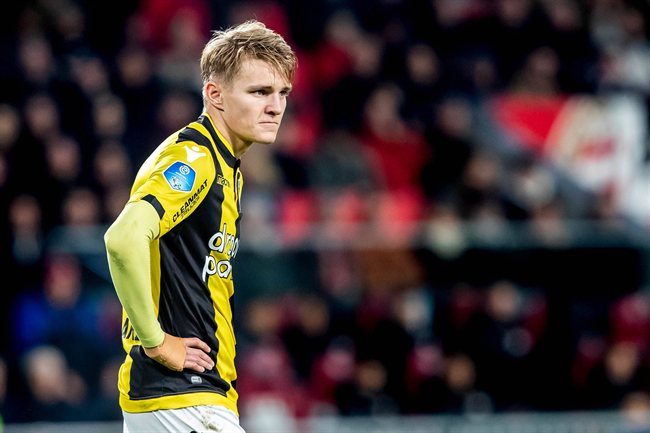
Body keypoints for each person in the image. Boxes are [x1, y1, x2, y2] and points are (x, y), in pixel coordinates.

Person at [104, 19, 297, 433]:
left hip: (179, 395)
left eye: (282, 93)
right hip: (183, 395)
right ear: (214, 94)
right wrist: (156, 341)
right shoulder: (195, 158)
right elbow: (122, 238)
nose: (275, 106)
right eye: (259, 91)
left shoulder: (226, 166)